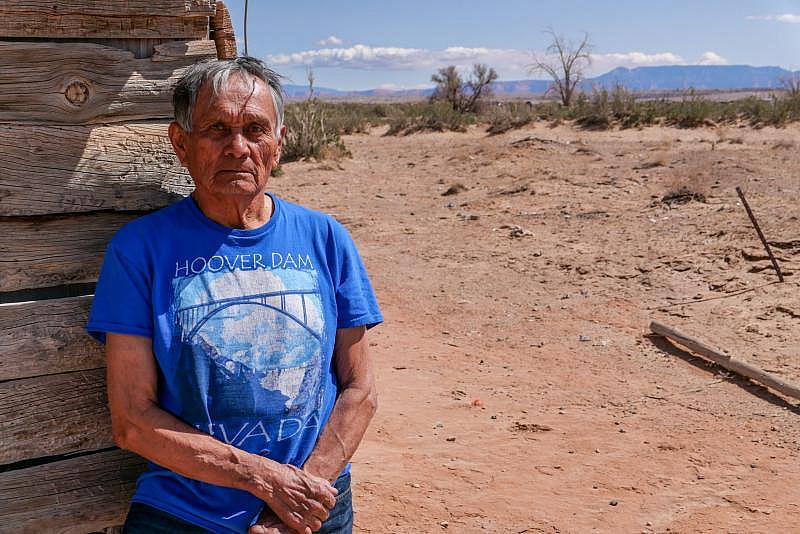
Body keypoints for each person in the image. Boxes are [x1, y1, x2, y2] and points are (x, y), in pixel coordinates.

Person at [86, 57, 382, 534]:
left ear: (279, 145)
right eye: (217, 129)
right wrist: (266, 481)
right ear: (180, 144)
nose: (238, 147)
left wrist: (299, 495)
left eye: (255, 129)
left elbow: (360, 389)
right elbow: (133, 420)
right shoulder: (140, 250)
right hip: (185, 512)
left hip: (315, 504)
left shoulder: (325, 238)